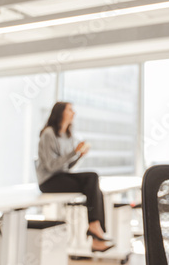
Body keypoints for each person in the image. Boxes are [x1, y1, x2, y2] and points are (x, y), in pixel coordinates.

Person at [36, 102, 114, 253]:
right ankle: (95, 231)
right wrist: (74, 152)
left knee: (93, 182)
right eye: (70, 110)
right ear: (60, 113)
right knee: (92, 182)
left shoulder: (68, 135)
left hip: (62, 176)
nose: (74, 113)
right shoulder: (48, 134)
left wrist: (79, 156)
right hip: (48, 181)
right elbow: (51, 166)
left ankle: (95, 231)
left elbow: (67, 167)